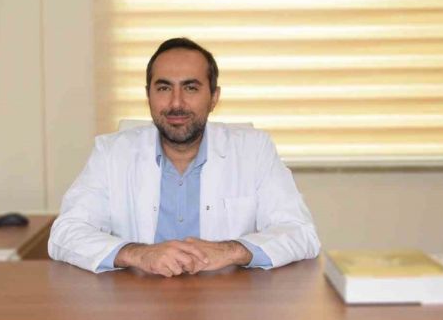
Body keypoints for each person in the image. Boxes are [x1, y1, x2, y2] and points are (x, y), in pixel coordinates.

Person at [48, 38, 320, 276]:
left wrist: (231, 251)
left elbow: (300, 233)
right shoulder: (111, 153)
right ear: (148, 95)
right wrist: (139, 254)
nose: (176, 103)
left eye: (190, 88)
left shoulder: (254, 150)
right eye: (164, 88)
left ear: (214, 97)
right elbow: (66, 233)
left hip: (228, 301)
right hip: (137, 301)